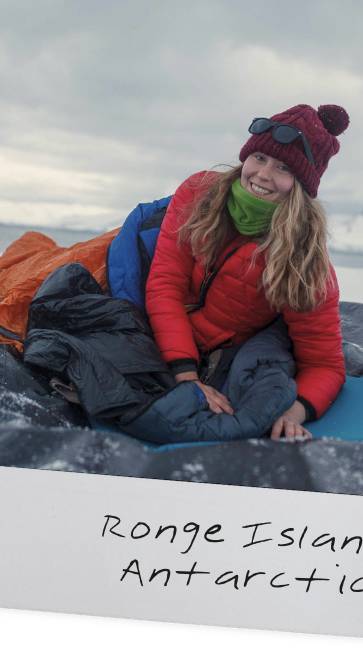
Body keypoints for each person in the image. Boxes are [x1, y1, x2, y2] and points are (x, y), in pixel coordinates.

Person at [144, 103, 349, 440]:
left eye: (283, 167)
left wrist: (291, 413)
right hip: (164, 331)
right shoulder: (199, 194)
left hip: (226, 348)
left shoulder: (305, 258)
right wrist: (187, 378)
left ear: (301, 184)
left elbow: (326, 364)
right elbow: (165, 285)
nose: (263, 175)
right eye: (259, 158)